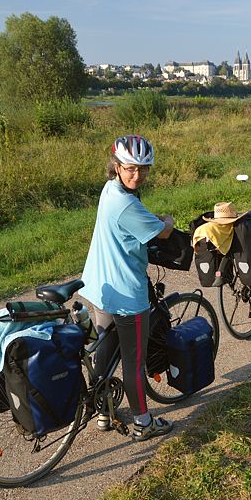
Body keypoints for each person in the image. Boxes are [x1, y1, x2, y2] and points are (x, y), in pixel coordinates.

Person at [79, 135, 175, 442]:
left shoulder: (110, 190)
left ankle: (104, 413)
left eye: (144, 169)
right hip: (126, 296)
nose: (138, 175)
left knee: (104, 355)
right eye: (131, 168)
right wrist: (167, 221)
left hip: (99, 287)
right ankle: (143, 423)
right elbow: (162, 233)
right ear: (117, 166)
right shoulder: (125, 203)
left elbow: (132, 224)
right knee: (134, 362)